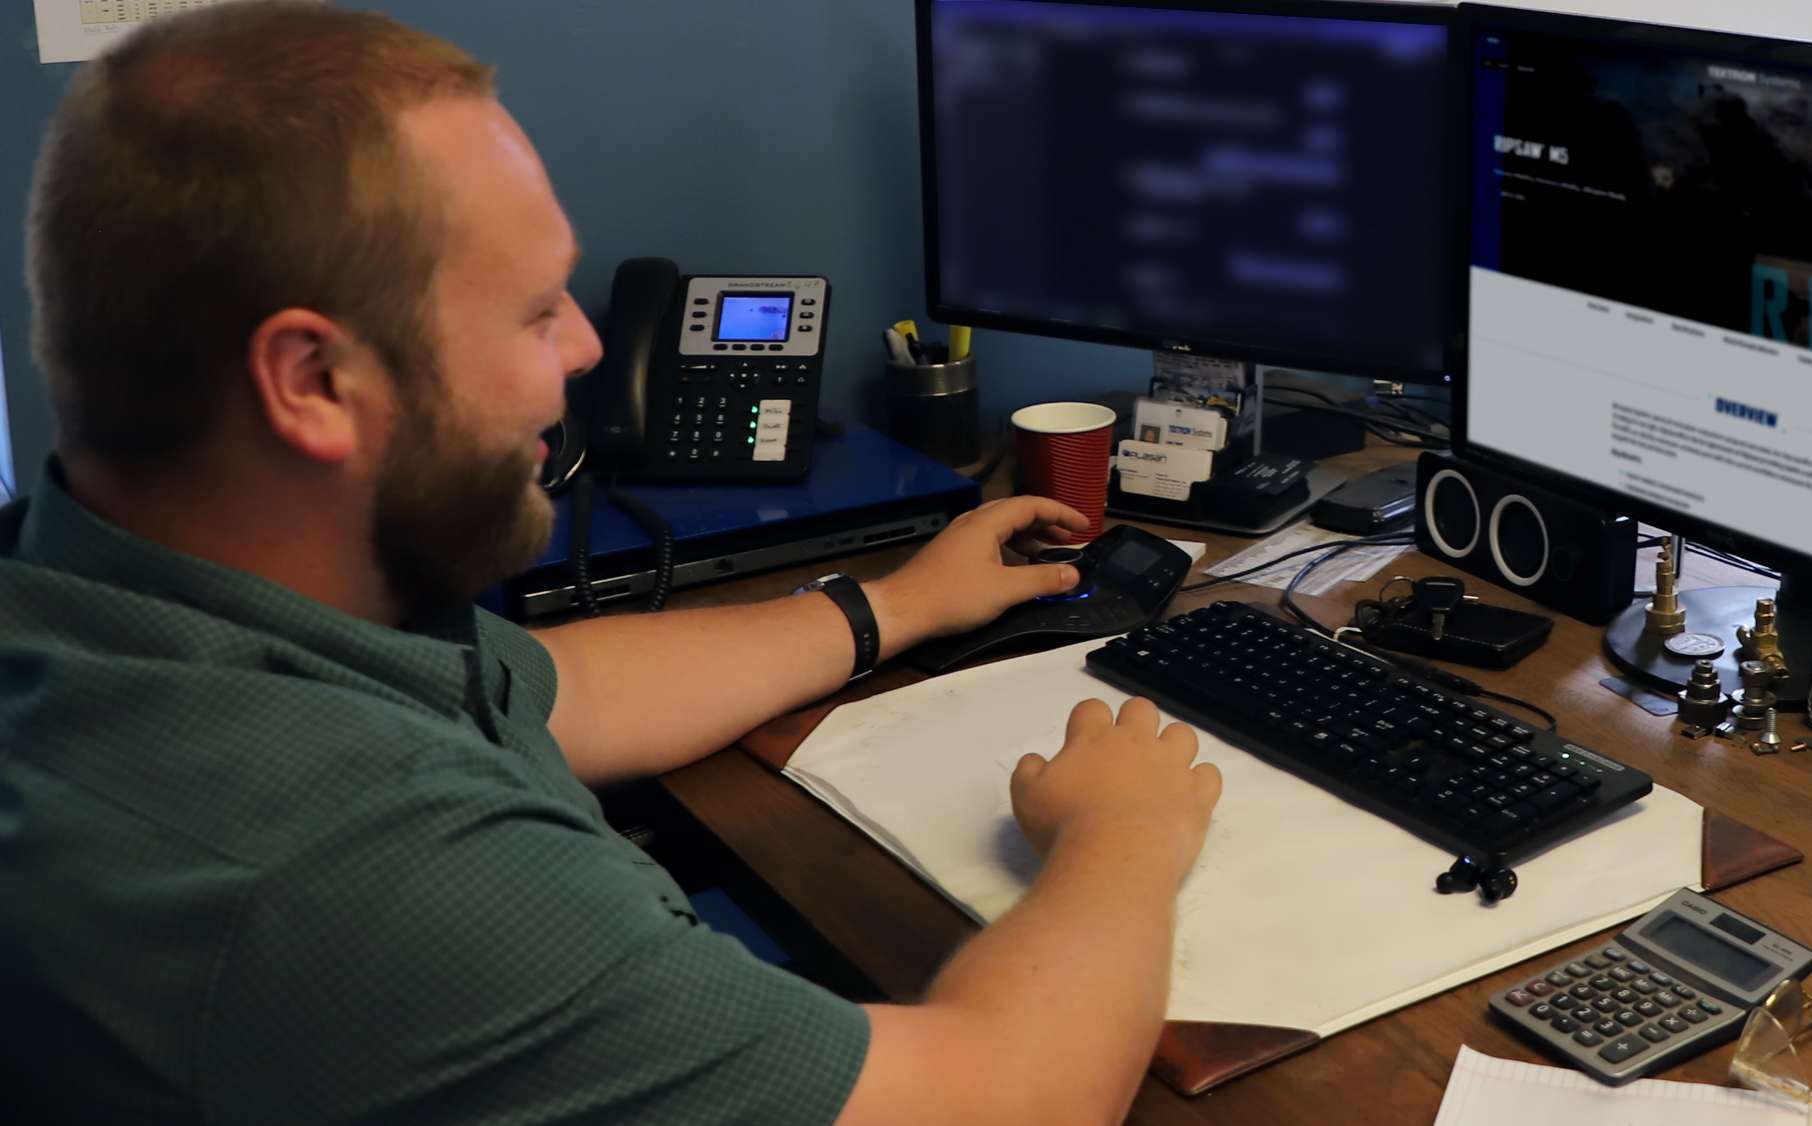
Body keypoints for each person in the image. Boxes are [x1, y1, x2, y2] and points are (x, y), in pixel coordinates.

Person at [0, 4, 1223, 1124]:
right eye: (534, 312)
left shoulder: (114, 604)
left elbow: (555, 687)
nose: (586, 347)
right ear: (315, 382)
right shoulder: (350, 870)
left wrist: (894, 605)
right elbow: (1007, 1098)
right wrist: (1122, 835)